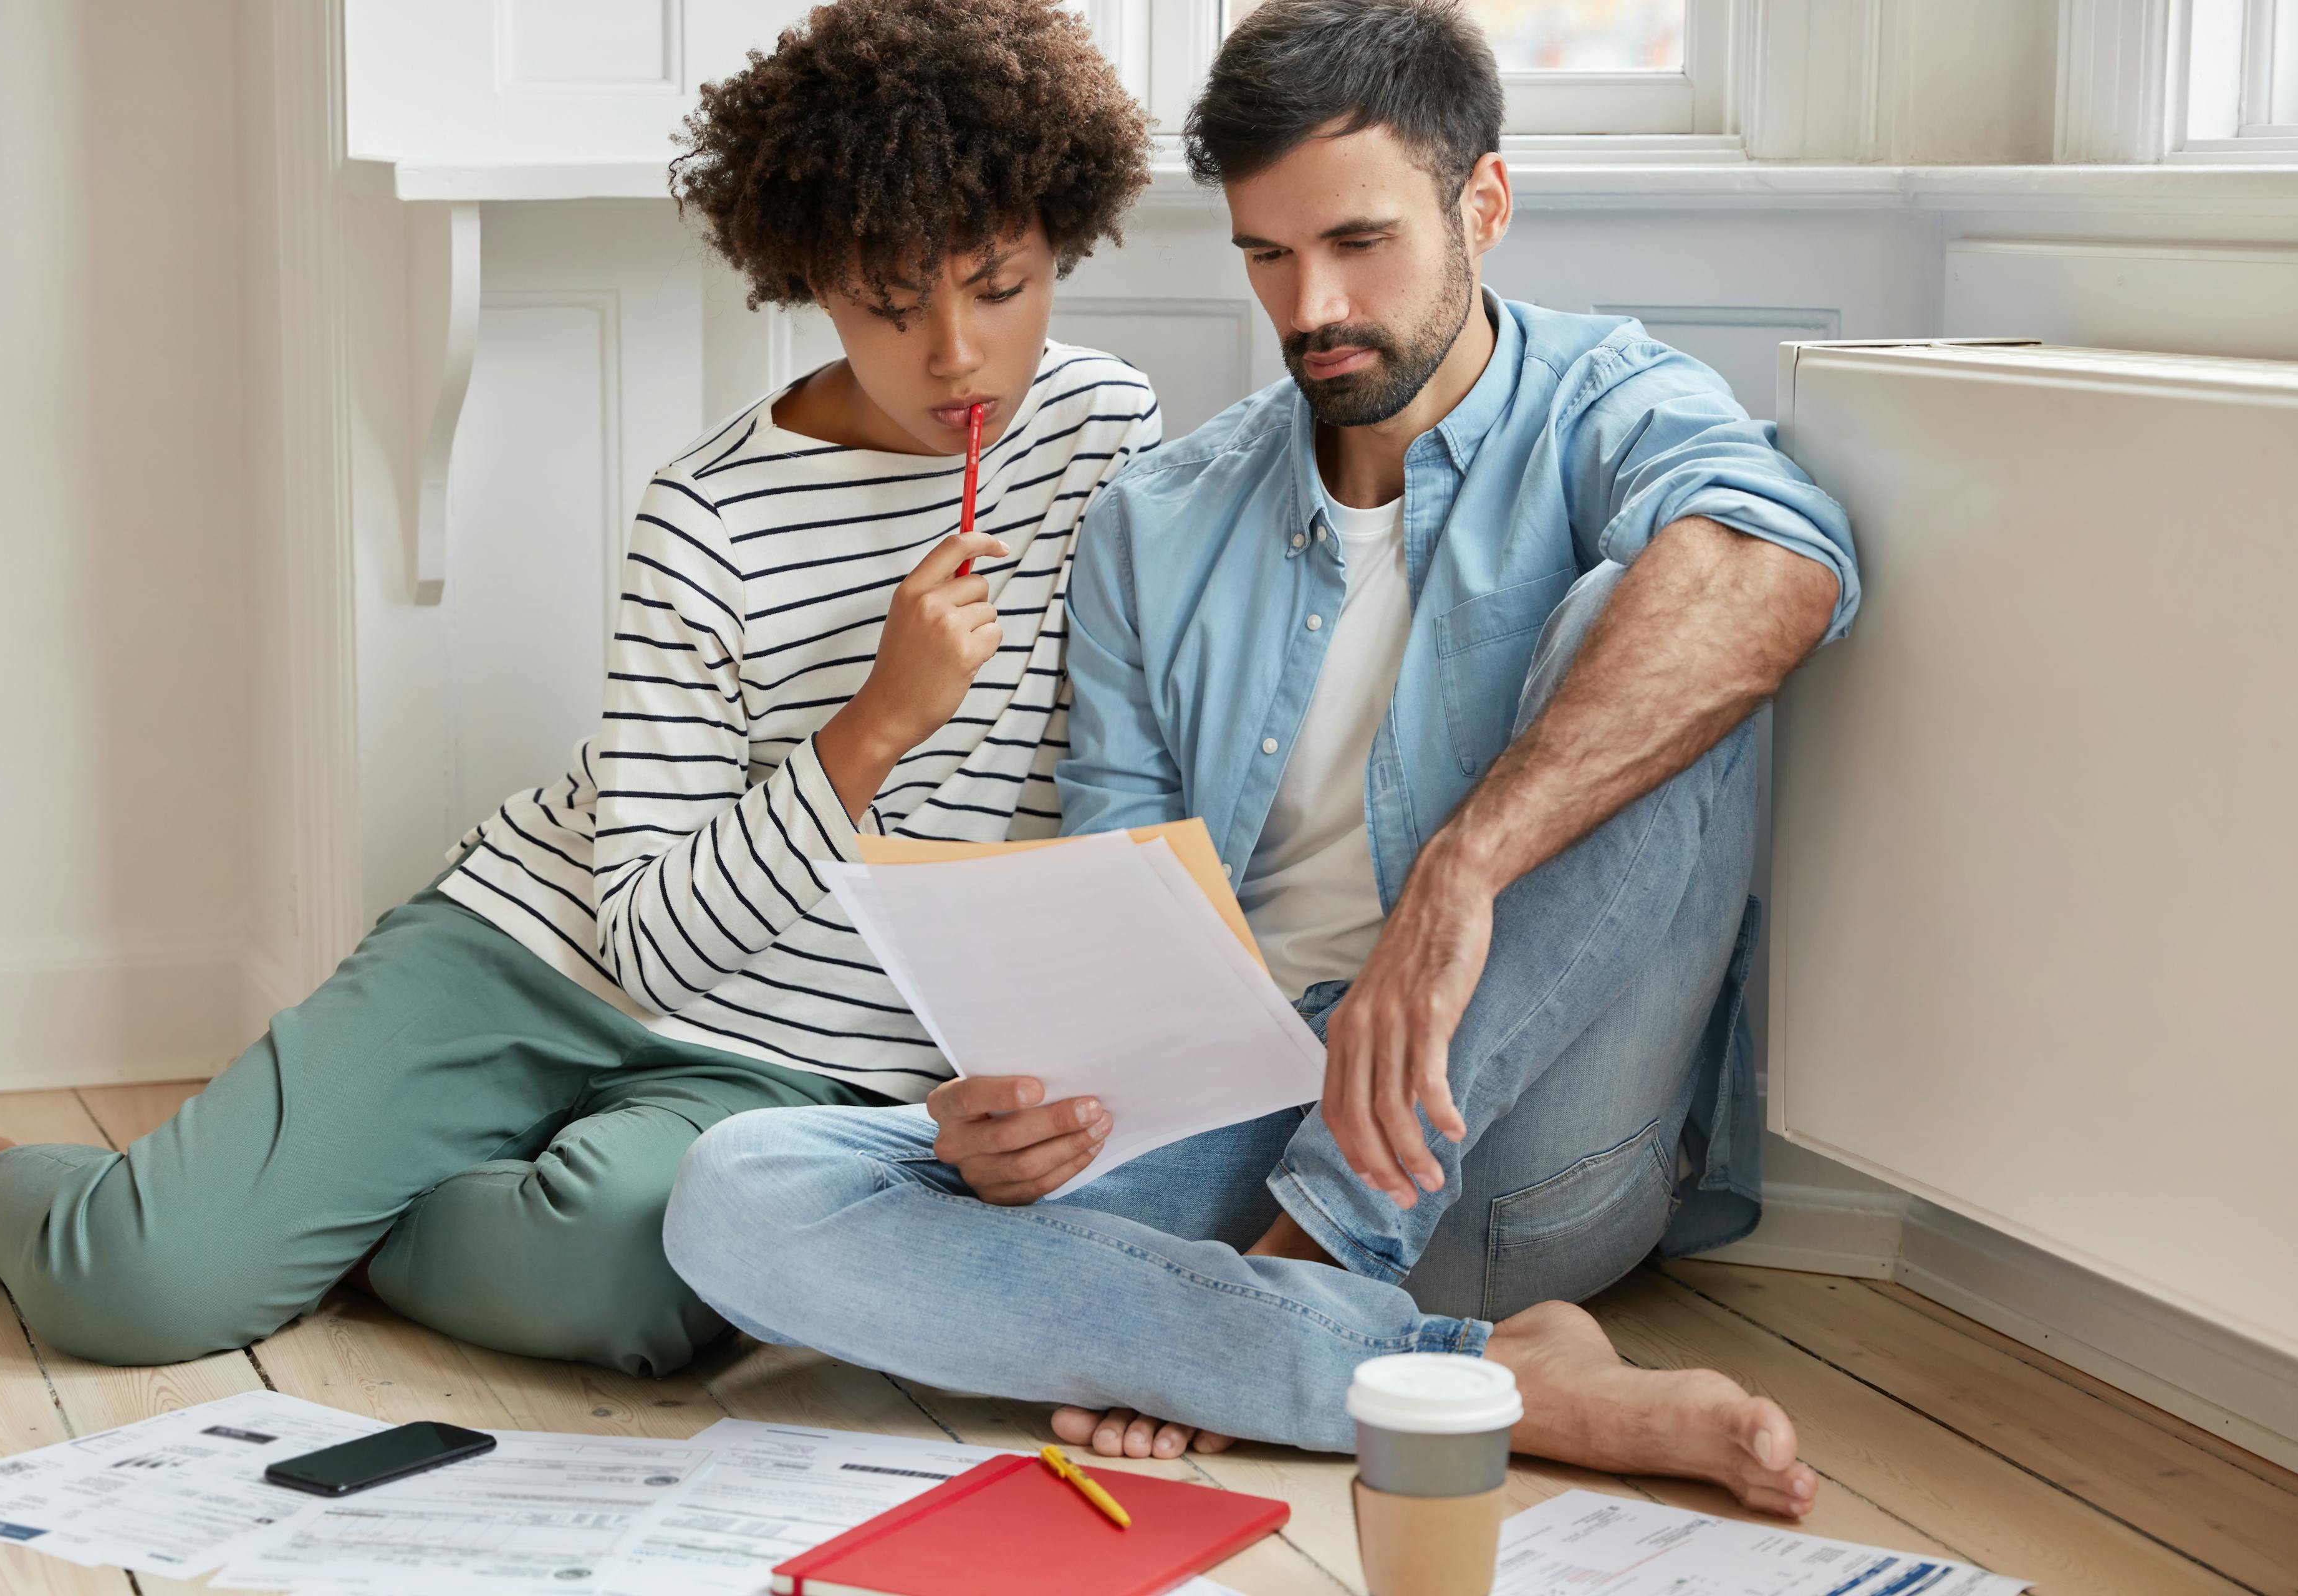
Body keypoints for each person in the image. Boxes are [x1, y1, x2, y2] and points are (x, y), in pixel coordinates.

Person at [665, 0, 1859, 1518]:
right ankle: (1470, 1372)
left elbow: (1781, 570)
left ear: (1481, 204)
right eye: (1268, 256)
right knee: (741, 1195)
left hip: (1513, 1138)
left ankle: (1290, 1285)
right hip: (1232, 1122)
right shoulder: (1158, 517)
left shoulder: (1608, 405)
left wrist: (1460, 873)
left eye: (1361, 243)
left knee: (1668, 618)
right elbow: (1115, 914)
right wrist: (1027, 1107)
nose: (1314, 307)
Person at [0, 0, 1156, 1378]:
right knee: (133, 1287)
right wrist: (871, 729)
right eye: (888, 302)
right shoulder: (709, 514)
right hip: (538, 952)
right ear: (809, 275)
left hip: (790, 1060)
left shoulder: (1111, 433)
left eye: (1000, 285)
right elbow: (647, 942)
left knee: (650, 1292)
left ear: (1064, 246)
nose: (956, 357)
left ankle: (321, 1212)